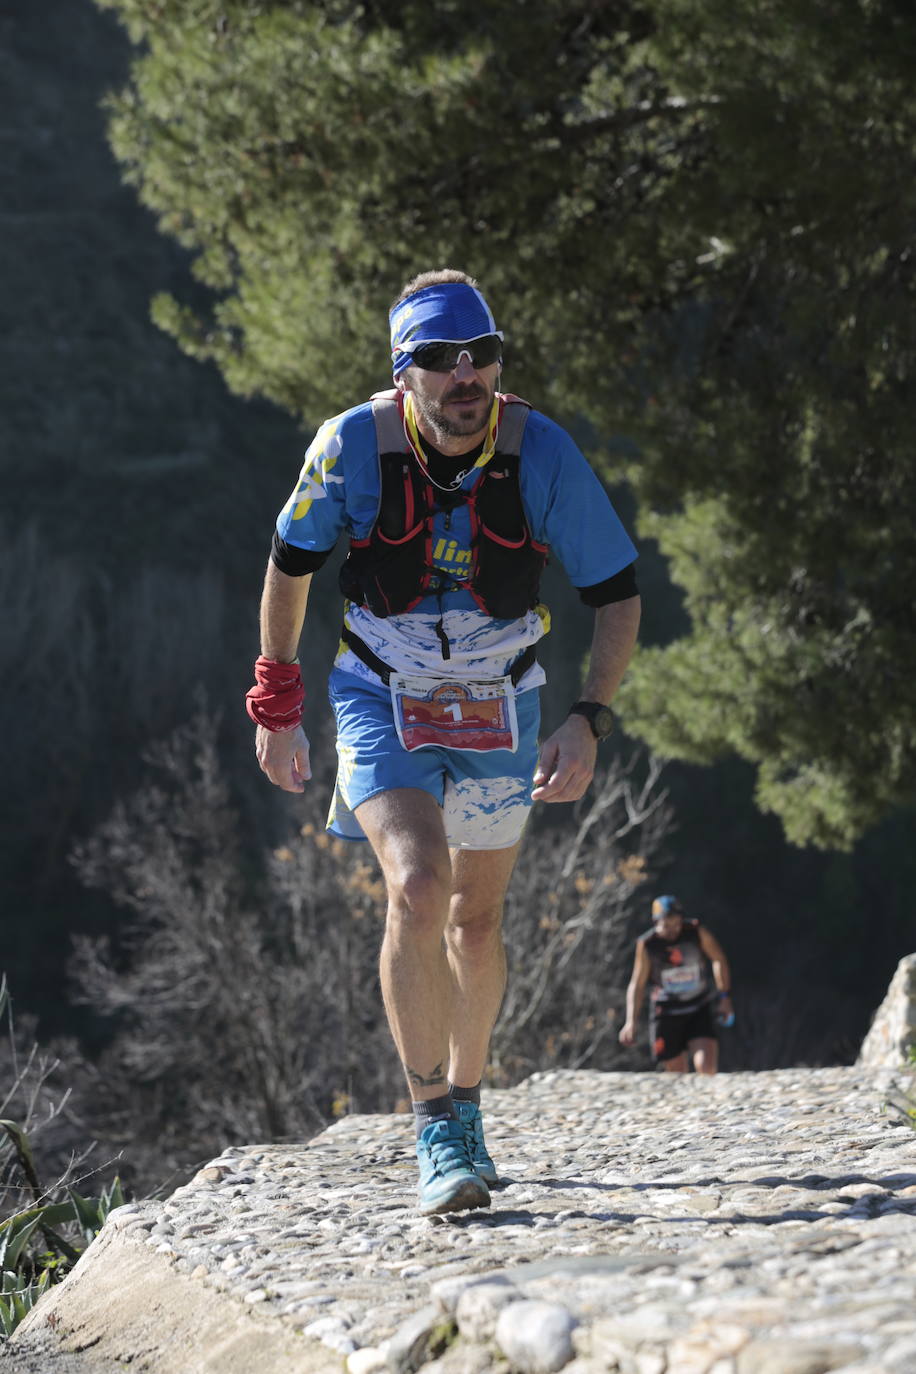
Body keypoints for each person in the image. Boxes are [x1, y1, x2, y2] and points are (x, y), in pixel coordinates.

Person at [247, 269, 641, 1215]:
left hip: (501, 701)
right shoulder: (351, 446)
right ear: (404, 373)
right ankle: (433, 1128)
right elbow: (290, 567)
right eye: (439, 359)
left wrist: (588, 717)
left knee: (475, 918)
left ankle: (466, 1104)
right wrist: (277, 698)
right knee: (419, 886)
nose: (466, 376)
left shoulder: (540, 451)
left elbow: (616, 592)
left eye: (482, 356)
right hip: (380, 692)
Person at [618, 895, 734, 1074]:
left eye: (677, 924)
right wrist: (631, 1021)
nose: (673, 930)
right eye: (667, 926)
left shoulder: (695, 932)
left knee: (707, 1068)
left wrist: (724, 996)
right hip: (665, 1013)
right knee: (677, 1076)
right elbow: (637, 984)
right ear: (656, 922)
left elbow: (718, 958)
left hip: (697, 1007)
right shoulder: (648, 945)